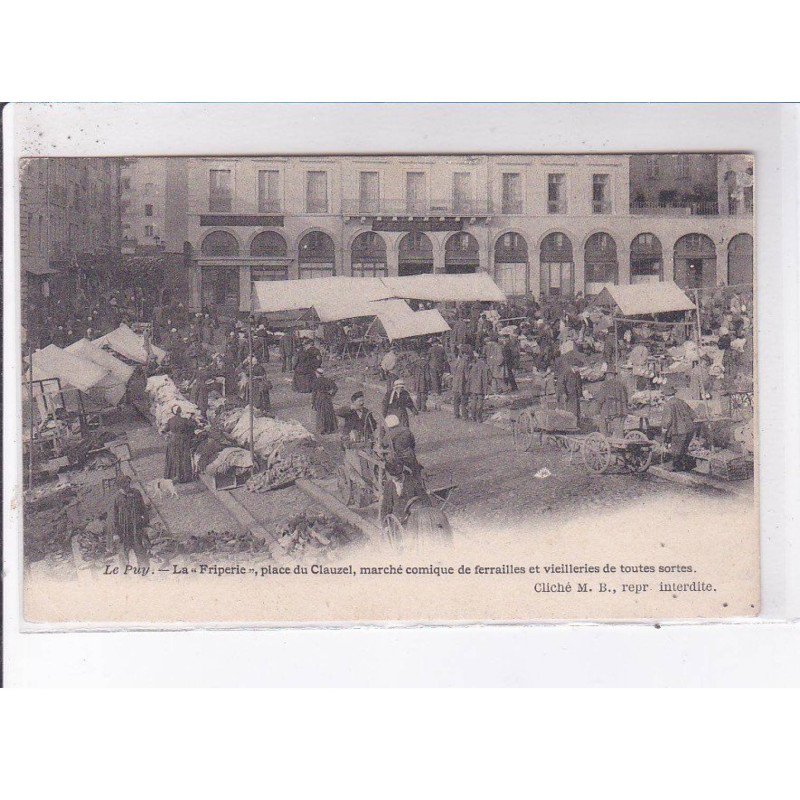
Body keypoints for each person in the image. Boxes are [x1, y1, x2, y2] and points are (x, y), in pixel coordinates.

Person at [112, 475, 150, 568]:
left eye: (128, 484)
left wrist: (145, 524)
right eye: (125, 486)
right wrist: (116, 533)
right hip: (123, 529)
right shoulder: (117, 497)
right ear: (120, 487)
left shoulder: (136, 493)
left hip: (136, 527)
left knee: (140, 550)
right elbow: (115, 515)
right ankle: (126, 572)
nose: (127, 487)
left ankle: (144, 569)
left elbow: (143, 509)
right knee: (124, 551)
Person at [380, 459, 428, 524]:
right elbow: (385, 506)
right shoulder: (388, 486)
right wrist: (385, 525)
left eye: (398, 475)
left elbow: (425, 498)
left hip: (414, 518)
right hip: (397, 521)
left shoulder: (412, 481)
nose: (396, 478)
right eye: (393, 476)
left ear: (402, 471)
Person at [661, 386, 697, 471]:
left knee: (676, 450)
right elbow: (693, 415)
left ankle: (677, 467)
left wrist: (664, 429)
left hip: (679, 431)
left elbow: (667, 421)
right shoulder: (682, 402)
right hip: (690, 429)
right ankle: (687, 466)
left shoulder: (668, 404)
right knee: (684, 448)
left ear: (665, 396)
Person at [164, 405, 195, 483]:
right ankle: (184, 477)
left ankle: (174, 475)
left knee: (174, 458)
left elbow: (165, 429)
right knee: (183, 458)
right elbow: (192, 426)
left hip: (173, 440)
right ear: (180, 411)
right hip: (183, 440)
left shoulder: (170, 420)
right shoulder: (184, 420)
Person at [594, 370, 628, 437]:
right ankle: (619, 440)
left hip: (609, 410)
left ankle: (605, 438)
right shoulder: (621, 384)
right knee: (619, 428)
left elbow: (600, 400)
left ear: (608, 375)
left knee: (602, 422)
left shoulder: (605, 384)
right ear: (614, 375)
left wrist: (597, 411)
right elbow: (626, 398)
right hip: (621, 410)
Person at [555, 357, 583, 426]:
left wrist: (581, 394)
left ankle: (576, 425)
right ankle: (569, 425)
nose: (579, 369)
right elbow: (561, 384)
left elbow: (579, 385)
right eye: (578, 367)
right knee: (570, 411)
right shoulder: (566, 372)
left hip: (576, 395)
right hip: (568, 395)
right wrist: (564, 393)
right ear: (574, 366)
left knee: (577, 410)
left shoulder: (577, 374)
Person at [467, 348, 491, 422]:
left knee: (473, 401)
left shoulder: (474, 365)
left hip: (473, 387)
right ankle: (479, 418)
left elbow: (469, 376)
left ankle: (473, 416)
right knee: (480, 402)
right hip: (481, 387)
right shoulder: (486, 367)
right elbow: (490, 378)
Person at [311, 367, 338, 434]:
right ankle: (330, 429)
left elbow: (314, 393)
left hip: (320, 398)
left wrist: (312, 402)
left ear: (317, 374)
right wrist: (332, 395)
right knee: (329, 413)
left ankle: (322, 429)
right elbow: (335, 388)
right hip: (327, 398)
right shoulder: (328, 380)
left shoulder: (316, 381)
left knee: (321, 414)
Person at [451, 345, 472, 420]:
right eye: (467, 355)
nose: (468, 356)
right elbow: (467, 376)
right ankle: (464, 416)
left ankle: (456, 414)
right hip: (462, 385)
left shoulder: (456, 361)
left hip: (455, 384)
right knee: (464, 401)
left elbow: (452, 372)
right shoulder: (465, 363)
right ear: (464, 354)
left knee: (456, 401)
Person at [412, 347, 431, 412]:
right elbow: (427, 374)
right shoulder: (426, 363)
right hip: (423, 380)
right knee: (423, 394)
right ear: (425, 356)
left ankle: (418, 407)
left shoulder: (416, 362)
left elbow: (413, 372)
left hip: (417, 380)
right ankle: (423, 408)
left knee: (418, 394)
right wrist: (429, 381)